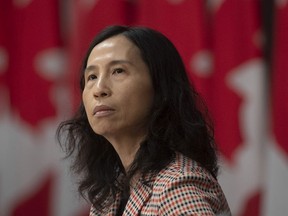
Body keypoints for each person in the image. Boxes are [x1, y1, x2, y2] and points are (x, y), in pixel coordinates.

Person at [57, 25, 231, 216]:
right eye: (91, 76)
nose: (99, 89)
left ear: (160, 88)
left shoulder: (178, 187)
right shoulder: (111, 196)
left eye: (118, 71)